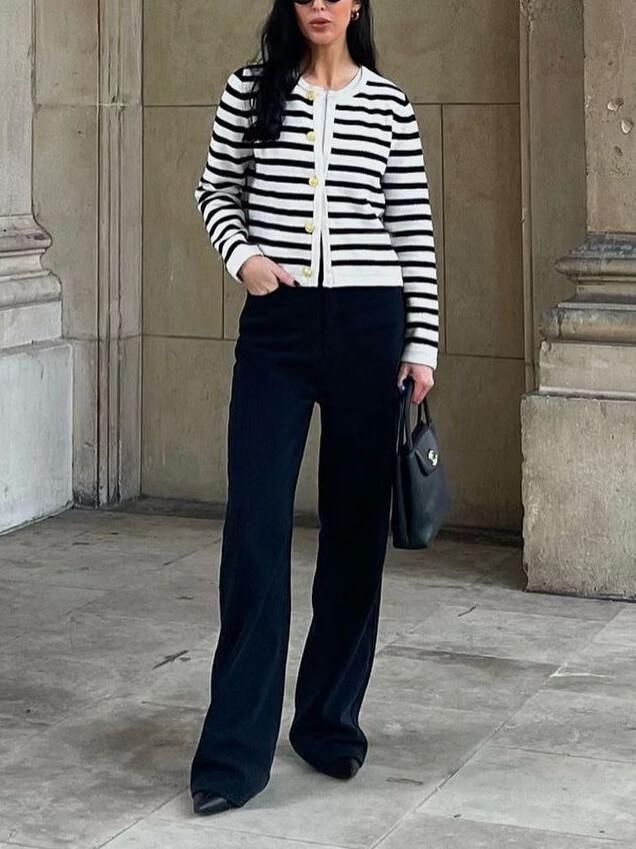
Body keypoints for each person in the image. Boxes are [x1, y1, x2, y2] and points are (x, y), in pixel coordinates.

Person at [190, 0, 439, 815]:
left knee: (355, 532)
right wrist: (246, 260)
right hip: (279, 326)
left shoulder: (389, 104)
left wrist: (422, 346)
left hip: (371, 324)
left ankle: (328, 723)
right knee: (254, 530)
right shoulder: (250, 88)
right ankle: (233, 755)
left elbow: (412, 228)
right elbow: (214, 189)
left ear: (357, 2)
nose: (321, 4)